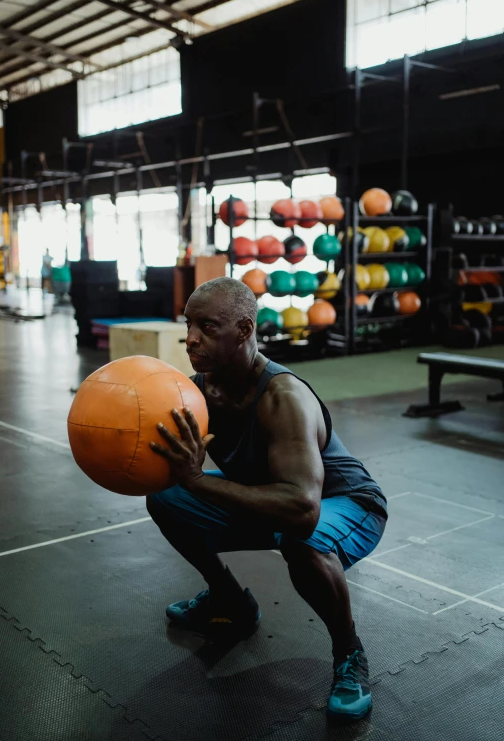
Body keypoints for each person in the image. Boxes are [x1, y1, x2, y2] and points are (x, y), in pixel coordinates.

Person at [147, 277, 388, 721]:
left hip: (347, 505)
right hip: (271, 501)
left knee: (303, 540)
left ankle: (349, 654)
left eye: (207, 326)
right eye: (189, 324)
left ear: (243, 330)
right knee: (164, 497)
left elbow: (301, 509)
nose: (191, 338)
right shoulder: (200, 391)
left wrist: (200, 481)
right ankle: (230, 602)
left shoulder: (283, 397)